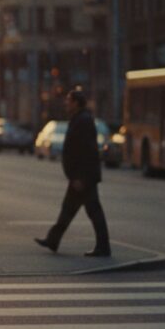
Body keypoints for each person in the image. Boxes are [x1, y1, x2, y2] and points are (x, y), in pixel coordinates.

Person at [35, 89, 111, 257]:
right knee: (69, 209)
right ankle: (53, 240)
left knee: (93, 211)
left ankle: (103, 247)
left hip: (83, 178)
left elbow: (86, 152)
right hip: (80, 176)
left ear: (76, 103)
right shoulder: (79, 119)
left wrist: (79, 178)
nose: (65, 103)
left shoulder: (83, 121)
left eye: (68, 100)